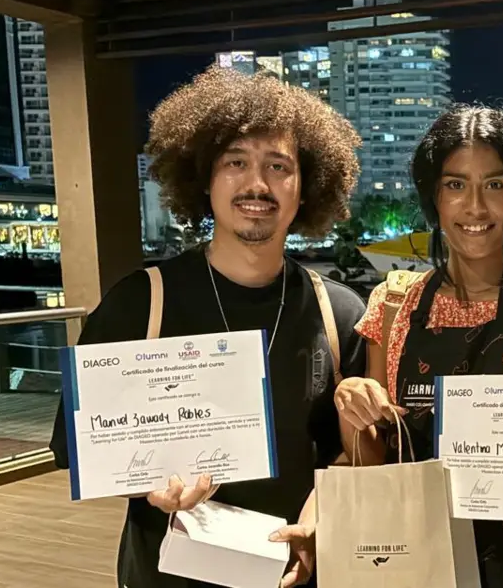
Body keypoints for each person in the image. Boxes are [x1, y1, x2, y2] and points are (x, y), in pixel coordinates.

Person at [48, 67, 368, 588]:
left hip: (293, 570)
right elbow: (79, 443)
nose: (257, 184)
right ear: (204, 178)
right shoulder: (140, 302)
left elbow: (349, 455)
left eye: (279, 166)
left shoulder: (339, 313)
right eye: (235, 162)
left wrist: (320, 517)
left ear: (307, 187)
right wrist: (143, 484)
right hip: (168, 573)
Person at [332, 105, 503, 587]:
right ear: (434, 197)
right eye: (456, 185)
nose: (476, 207)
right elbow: (373, 465)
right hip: (414, 566)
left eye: (495, 185)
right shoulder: (395, 305)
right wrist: (351, 405)